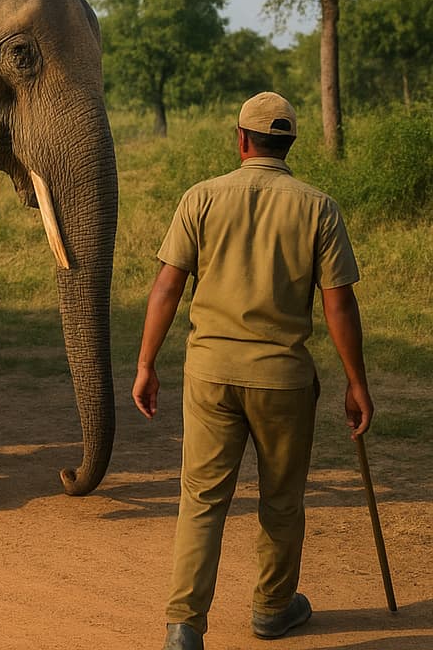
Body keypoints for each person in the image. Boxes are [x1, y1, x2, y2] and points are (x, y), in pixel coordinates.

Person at [134, 92, 374, 650]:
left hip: (210, 375)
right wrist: (356, 382)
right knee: (282, 500)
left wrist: (146, 363)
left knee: (202, 501)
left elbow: (167, 286)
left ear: (241, 139)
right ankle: (272, 607)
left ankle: (184, 625)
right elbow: (339, 303)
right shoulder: (319, 207)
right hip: (283, 380)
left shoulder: (201, 198)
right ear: (290, 145)